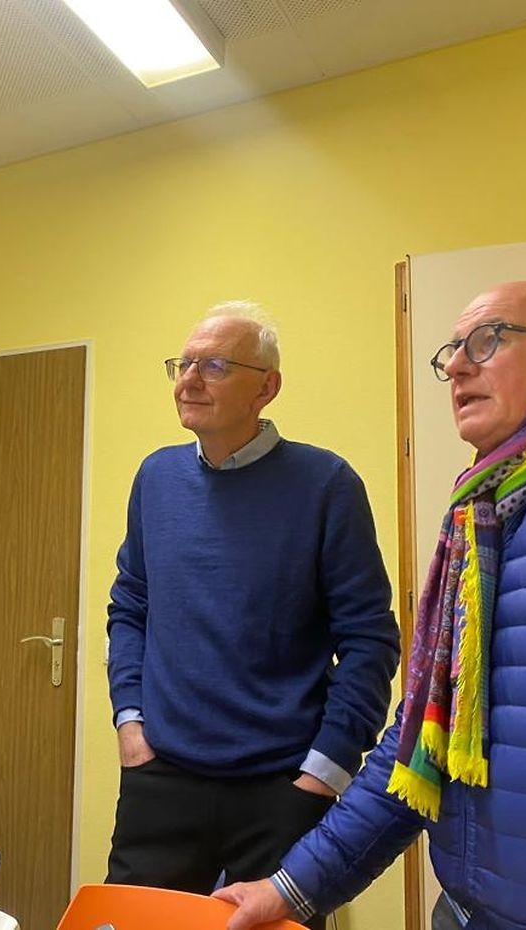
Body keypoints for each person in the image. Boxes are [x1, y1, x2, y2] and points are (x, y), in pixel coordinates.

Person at [215, 281, 526, 930]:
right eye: (451, 351)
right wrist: (294, 887)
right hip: (462, 914)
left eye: (488, 340)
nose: (457, 366)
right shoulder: (479, 519)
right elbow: (420, 740)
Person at [105, 301, 400, 930]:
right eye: (182, 364)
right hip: (161, 778)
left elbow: (369, 638)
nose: (189, 380)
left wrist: (325, 771)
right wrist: (130, 721)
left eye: (213, 366)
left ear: (266, 388)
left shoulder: (326, 484)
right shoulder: (156, 477)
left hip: (281, 788)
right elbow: (130, 605)